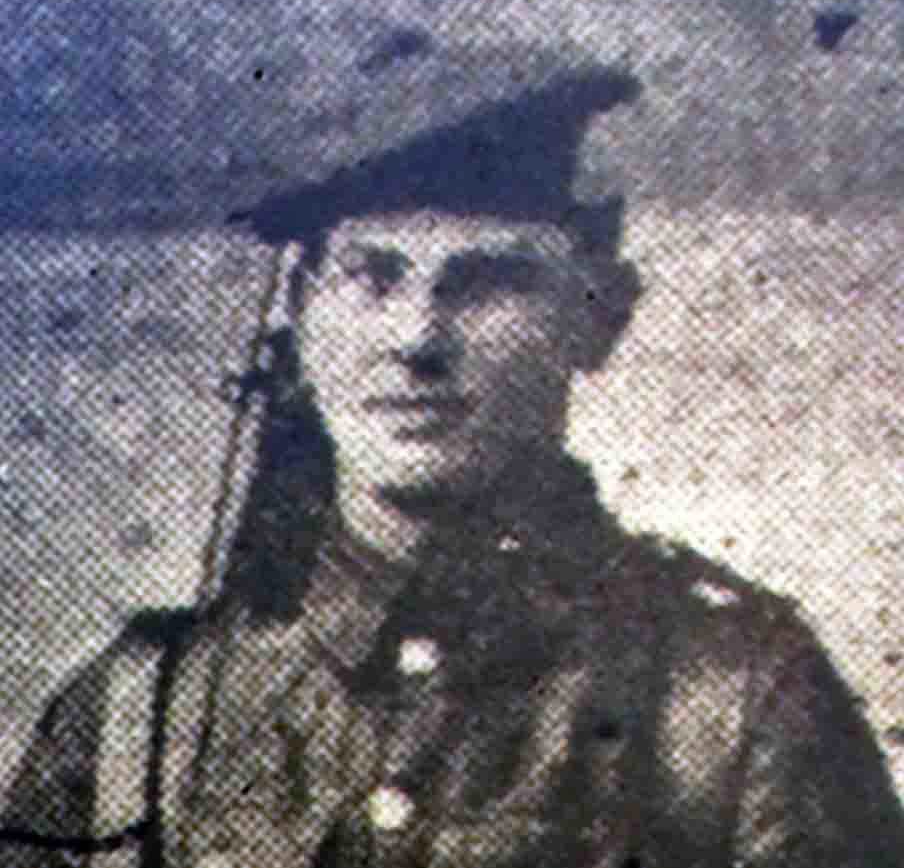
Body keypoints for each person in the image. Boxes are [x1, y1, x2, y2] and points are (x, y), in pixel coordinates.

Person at [2, 60, 903, 868]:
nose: (417, 338)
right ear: (301, 315)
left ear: (597, 316)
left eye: (487, 280)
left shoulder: (736, 702)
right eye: (373, 275)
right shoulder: (142, 714)